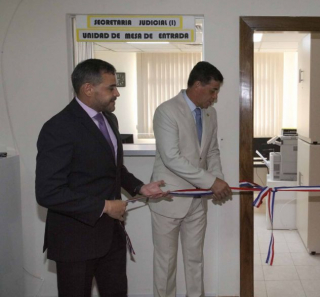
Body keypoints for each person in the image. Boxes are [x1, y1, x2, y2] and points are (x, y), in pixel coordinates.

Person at [36, 58, 168, 297]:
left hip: (111, 236)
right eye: (111, 88)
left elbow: (113, 169)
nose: (117, 93)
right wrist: (105, 206)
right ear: (88, 88)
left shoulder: (109, 119)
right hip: (75, 241)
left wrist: (139, 187)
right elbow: (48, 191)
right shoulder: (58, 128)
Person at [149, 61, 232, 297]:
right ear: (197, 85)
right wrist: (210, 181)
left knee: (195, 260)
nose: (215, 97)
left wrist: (218, 181)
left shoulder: (210, 113)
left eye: (217, 91)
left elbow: (212, 151)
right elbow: (171, 158)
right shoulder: (166, 111)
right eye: (213, 90)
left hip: (198, 200)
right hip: (169, 199)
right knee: (166, 265)